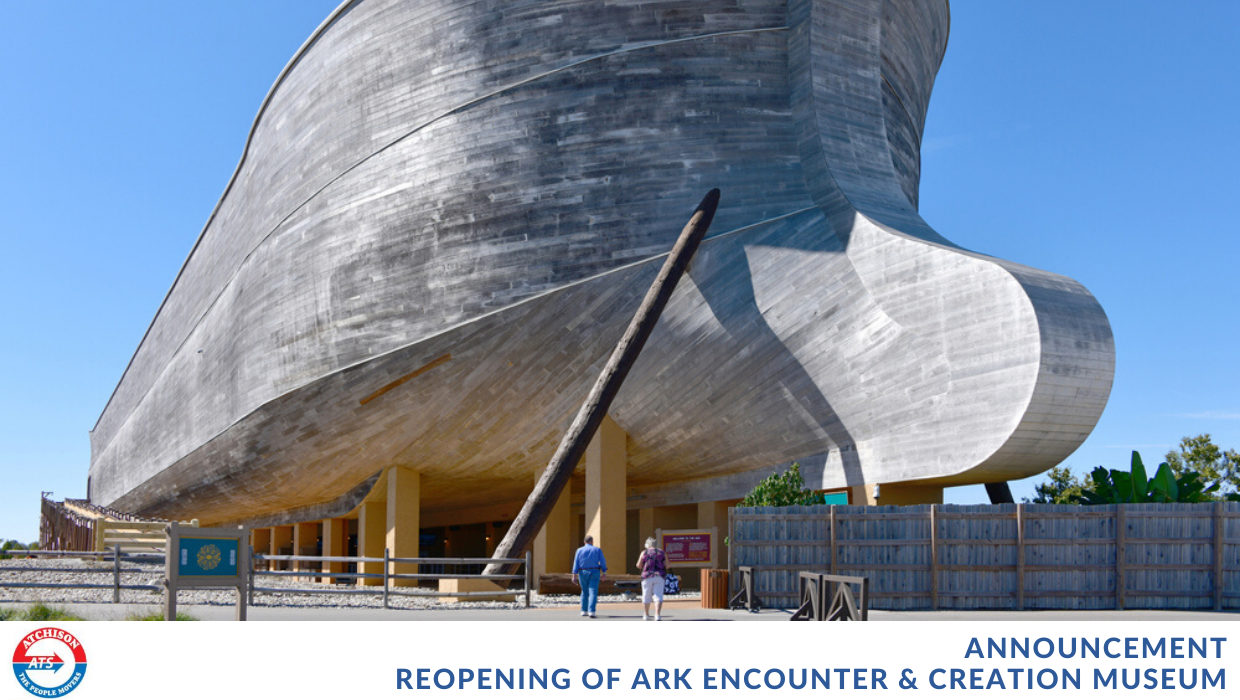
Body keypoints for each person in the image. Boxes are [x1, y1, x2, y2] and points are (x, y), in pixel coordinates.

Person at [571, 535, 607, 618]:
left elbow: (576, 562)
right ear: (592, 541)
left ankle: (583, 610)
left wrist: (574, 575)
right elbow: (602, 561)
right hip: (594, 571)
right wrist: (604, 572)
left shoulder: (579, 550)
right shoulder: (597, 550)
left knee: (584, 591)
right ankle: (591, 611)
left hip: (582, 571)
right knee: (593, 591)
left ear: (584, 542)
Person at [635, 536, 667, 621]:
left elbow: (638, 565)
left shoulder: (644, 553)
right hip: (659, 576)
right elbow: (668, 565)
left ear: (647, 544)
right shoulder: (661, 552)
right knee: (658, 595)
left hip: (647, 576)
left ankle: (646, 614)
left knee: (646, 595)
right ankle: (657, 615)